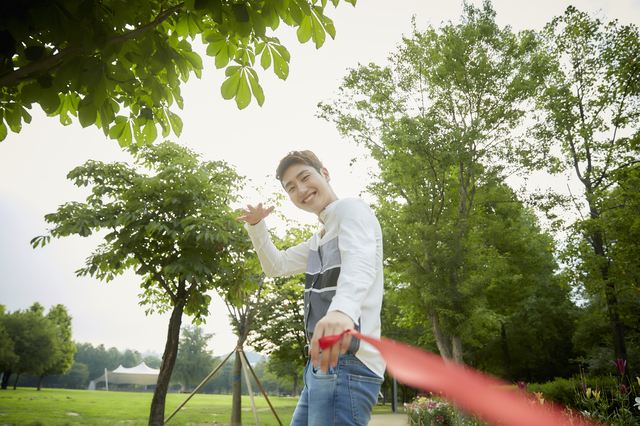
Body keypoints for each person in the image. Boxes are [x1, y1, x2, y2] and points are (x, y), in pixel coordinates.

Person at [236, 150, 385, 426]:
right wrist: (256, 225)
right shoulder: (318, 239)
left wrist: (342, 311)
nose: (301, 189)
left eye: (305, 178)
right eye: (291, 188)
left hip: (348, 361)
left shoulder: (350, 209)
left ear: (325, 174)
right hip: (321, 365)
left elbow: (360, 261)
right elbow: (276, 266)